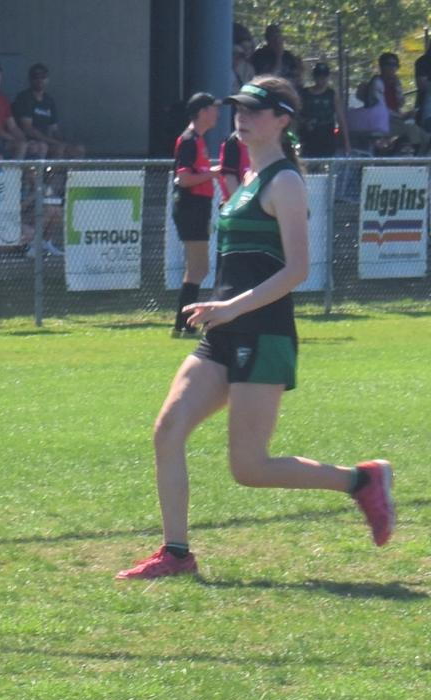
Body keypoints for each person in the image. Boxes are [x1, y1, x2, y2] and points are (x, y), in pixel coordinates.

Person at [117, 76, 394, 580]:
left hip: (262, 334)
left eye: (255, 110)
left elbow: (297, 270)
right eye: (238, 108)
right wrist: (217, 308)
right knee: (168, 431)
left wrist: (232, 308)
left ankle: (362, 481)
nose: (241, 117)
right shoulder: (246, 177)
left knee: (249, 468)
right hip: (224, 331)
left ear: (282, 120)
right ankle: (176, 553)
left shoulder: (284, 182)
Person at [170, 92, 219, 339]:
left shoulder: (198, 139)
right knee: (198, 267)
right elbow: (185, 178)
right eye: (212, 108)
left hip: (199, 207)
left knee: (198, 268)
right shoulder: (189, 139)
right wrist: (214, 173)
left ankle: (183, 324)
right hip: (191, 207)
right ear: (201, 112)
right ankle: (184, 324)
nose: (217, 113)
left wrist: (210, 172)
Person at [13, 63, 83, 159]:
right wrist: (53, 141)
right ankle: (46, 174)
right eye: (36, 77)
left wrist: (65, 142)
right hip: (31, 141)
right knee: (54, 147)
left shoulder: (48, 100)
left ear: (47, 79)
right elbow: (28, 129)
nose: (40, 80)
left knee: (78, 149)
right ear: (30, 79)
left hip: (48, 140)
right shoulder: (24, 98)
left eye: (43, 77)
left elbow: (54, 129)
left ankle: (68, 174)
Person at [298, 62, 349, 158]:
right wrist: (305, 122)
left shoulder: (331, 94)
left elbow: (340, 118)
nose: (322, 79)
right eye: (319, 76)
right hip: (309, 137)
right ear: (315, 77)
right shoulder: (304, 94)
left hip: (327, 136)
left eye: (324, 76)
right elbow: (297, 115)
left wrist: (347, 143)